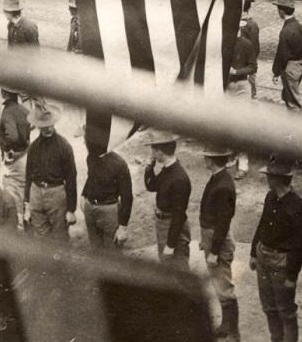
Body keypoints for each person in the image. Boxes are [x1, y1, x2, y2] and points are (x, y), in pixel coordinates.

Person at [251, 155, 302, 342]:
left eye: (269, 176)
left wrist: (292, 276)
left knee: (286, 310)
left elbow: (300, 244)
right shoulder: (270, 197)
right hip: (264, 256)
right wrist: (253, 252)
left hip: (282, 262)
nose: (267, 179)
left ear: (278, 178)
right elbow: (263, 223)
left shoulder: (298, 207)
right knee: (268, 307)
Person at [200, 145, 240, 342]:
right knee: (219, 285)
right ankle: (226, 325)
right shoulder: (219, 178)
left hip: (218, 241)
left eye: (207, 156)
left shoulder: (223, 184)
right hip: (212, 237)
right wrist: (204, 240)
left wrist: (214, 251)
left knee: (225, 287)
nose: (205, 158)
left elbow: (223, 223)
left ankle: (233, 333)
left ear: (212, 160)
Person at [24, 104, 77, 239]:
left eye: (49, 124)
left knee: (60, 238)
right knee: (40, 238)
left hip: (56, 195)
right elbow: (28, 176)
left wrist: (71, 209)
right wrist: (27, 202)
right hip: (36, 193)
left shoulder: (64, 146)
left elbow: (71, 178)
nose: (47, 128)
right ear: (37, 126)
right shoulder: (33, 147)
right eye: (43, 125)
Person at [81, 121, 133, 251]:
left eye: (87, 141)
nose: (85, 143)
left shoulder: (119, 164)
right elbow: (91, 177)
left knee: (112, 253)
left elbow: (127, 197)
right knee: (95, 249)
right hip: (90, 209)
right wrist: (84, 194)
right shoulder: (91, 157)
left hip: (109, 211)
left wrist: (123, 227)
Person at [143, 131, 191, 269]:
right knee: (167, 266)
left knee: (178, 268)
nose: (151, 153)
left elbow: (179, 214)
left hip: (172, 225)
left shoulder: (178, 178)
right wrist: (149, 167)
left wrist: (170, 244)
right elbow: (151, 186)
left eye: (153, 149)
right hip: (164, 223)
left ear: (159, 152)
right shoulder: (168, 169)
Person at [226, 18, 257, 177]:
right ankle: (232, 153)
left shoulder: (246, 44)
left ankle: (243, 160)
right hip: (227, 87)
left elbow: (253, 66)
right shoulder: (223, 44)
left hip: (241, 87)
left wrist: (237, 72)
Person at [0, 88, 31, 225]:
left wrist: (7, 150)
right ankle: (26, 220)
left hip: (15, 158)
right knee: (23, 188)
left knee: (12, 190)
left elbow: (12, 135)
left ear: (4, 94)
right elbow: (31, 124)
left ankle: (19, 224)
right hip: (26, 154)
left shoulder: (7, 113)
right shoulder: (23, 109)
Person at [272, 0, 302, 111]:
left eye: (278, 9)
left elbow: (282, 54)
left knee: (293, 102)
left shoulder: (286, 30)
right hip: (301, 64)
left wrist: (276, 72)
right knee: (290, 95)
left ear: (282, 11)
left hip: (290, 67)